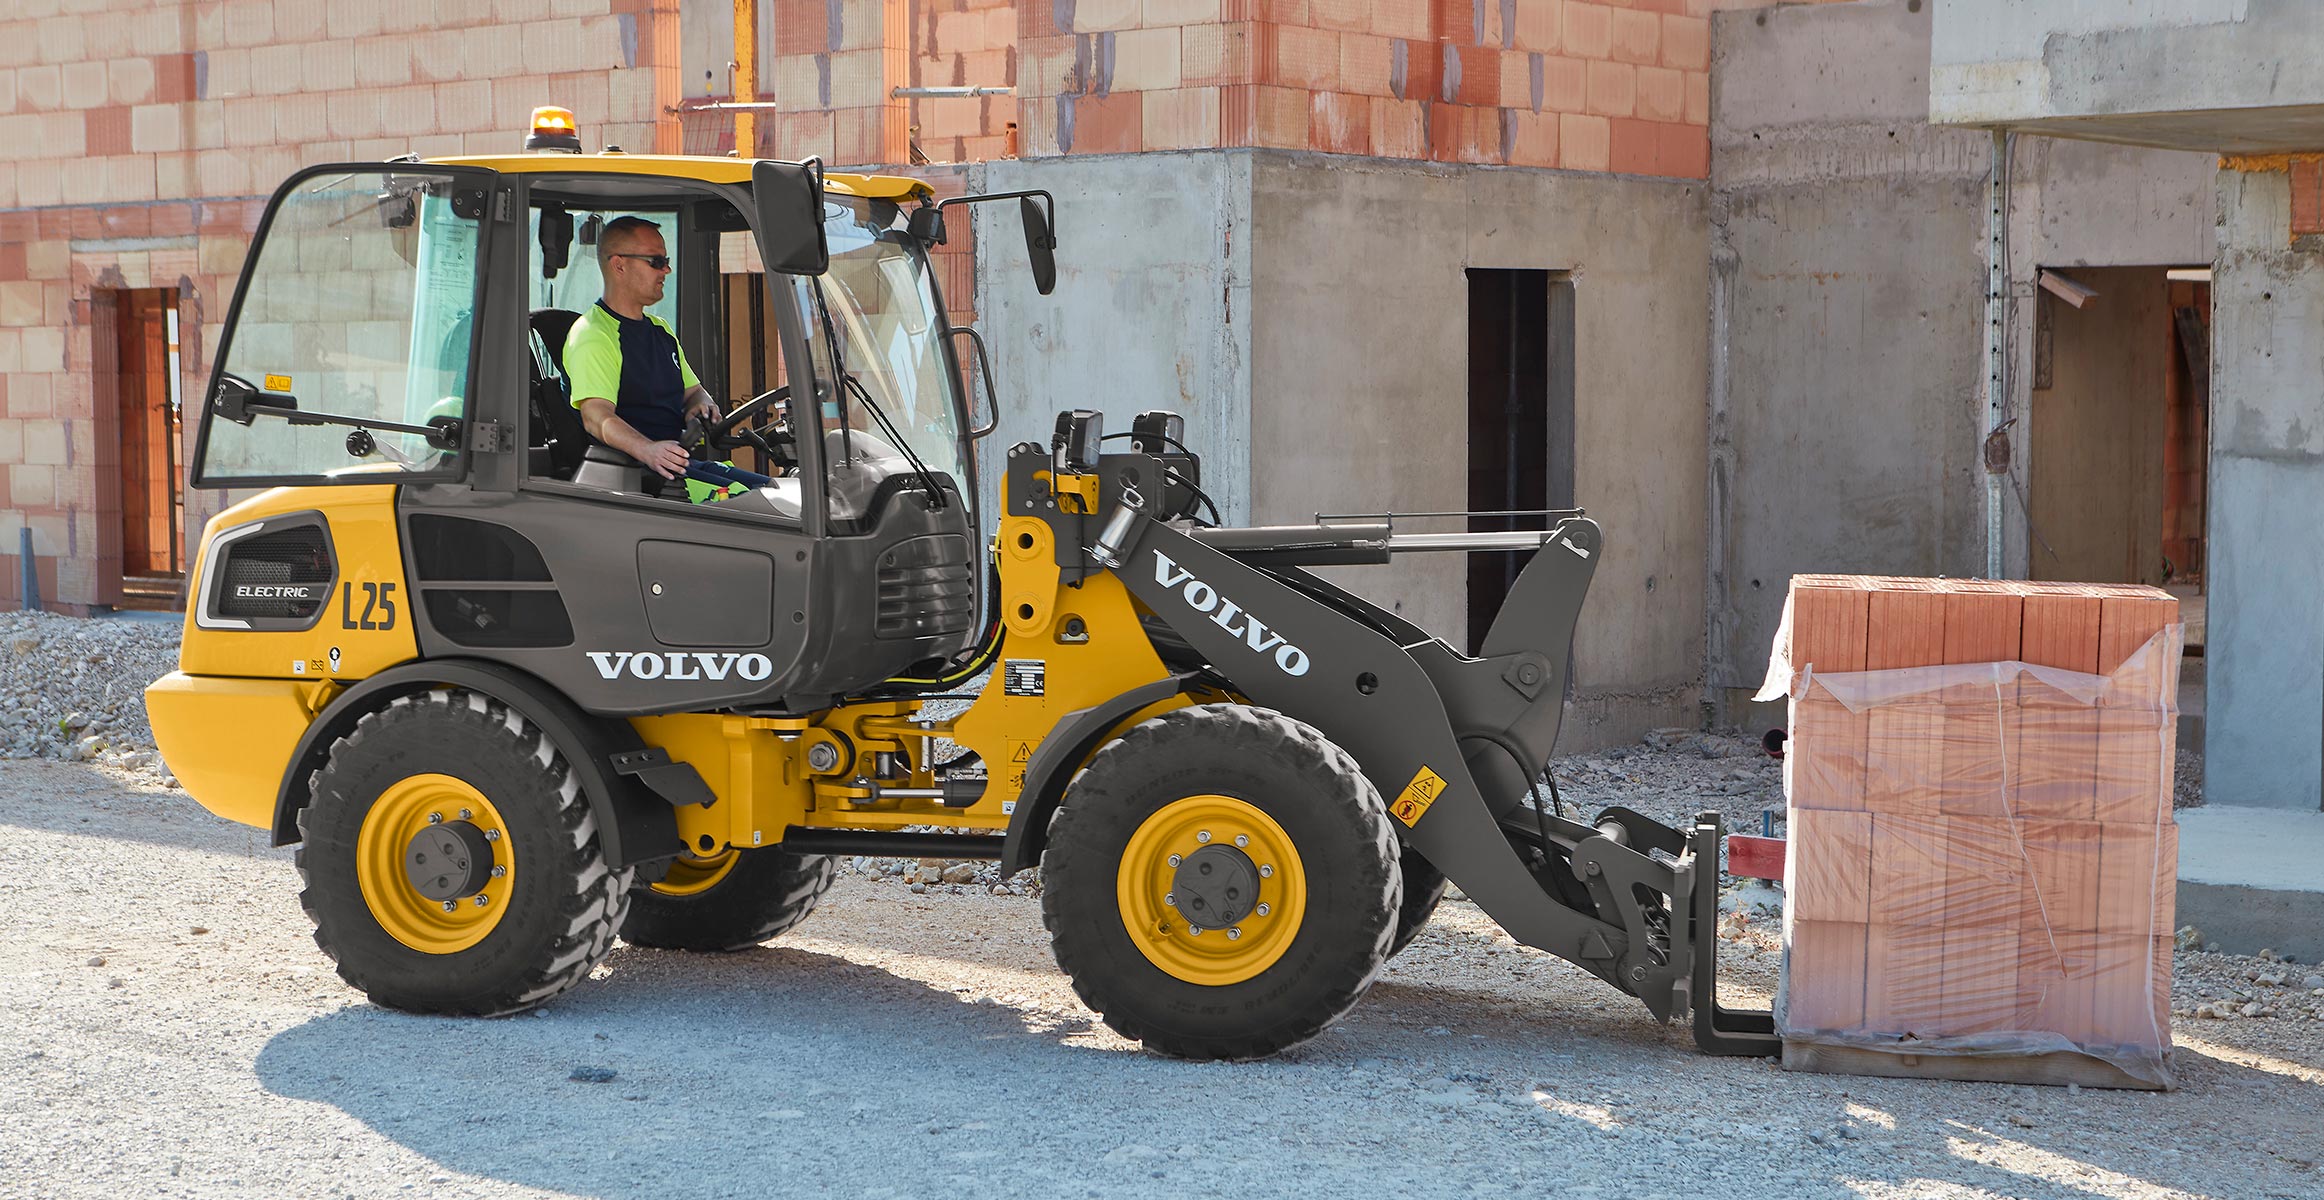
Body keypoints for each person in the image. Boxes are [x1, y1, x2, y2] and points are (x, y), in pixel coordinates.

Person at [564, 216, 724, 491]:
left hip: (679, 467)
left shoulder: (660, 331)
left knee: (773, 493)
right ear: (619, 265)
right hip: (640, 481)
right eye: (656, 262)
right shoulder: (594, 335)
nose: (667, 270)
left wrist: (701, 405)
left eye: (666, 260)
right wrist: (648, 450)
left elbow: (694, 391)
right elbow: (597, 418)